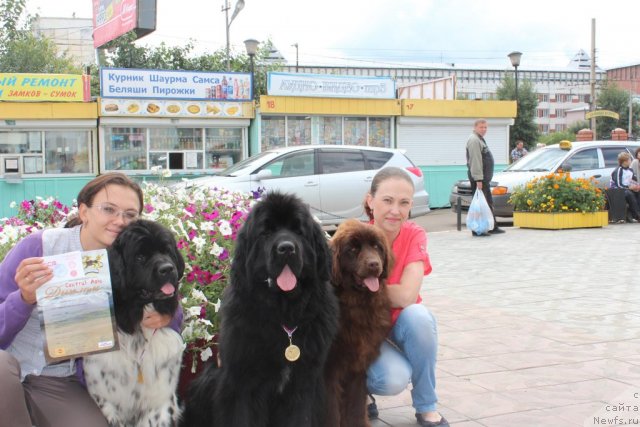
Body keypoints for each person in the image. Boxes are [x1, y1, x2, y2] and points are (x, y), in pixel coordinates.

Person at [0, 172, 181, 427]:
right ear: (84, 211)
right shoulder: (39, 247)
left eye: (130, 214)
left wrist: (168, 316)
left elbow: (166, 297)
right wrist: (23, 298)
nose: (119, 221)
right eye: (109, 209)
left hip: (59, 379)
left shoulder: (127, 260)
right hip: (9, 366)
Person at [364, 167, 448, 427]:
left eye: (403, 203)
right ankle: (359, 391)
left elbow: (407, 296)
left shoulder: (414, 234)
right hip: (365, 332)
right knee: (391, 379)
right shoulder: (356, 237)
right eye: (387, 200)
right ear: (371, 201)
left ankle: (426, 405)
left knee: (419, 315)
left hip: (401, 325)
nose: (395, 210)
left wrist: (361, 287)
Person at [466, 119, 505, 236]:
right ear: (475, 127)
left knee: (487, 203)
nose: (484, 129)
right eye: (481, 127)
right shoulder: (474, 140)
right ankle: (478, 229)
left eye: (485, 127)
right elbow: (476, 161)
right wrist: (478, 179)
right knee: (480, 205)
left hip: (484, 179)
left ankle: (491, 226)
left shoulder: (479, 139)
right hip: (480, 179)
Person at [609, 151, 640, 223]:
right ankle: (637, 215)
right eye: (629, 160)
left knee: (638, 192)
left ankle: (637, 212)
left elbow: (634, 181)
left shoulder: (630, 170)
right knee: (629, 194)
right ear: (624, 162)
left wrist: (636, 186)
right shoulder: (618, 170)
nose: (631, 161)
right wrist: (630, 188)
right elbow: (619, 184)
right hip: (617, 190)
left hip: (627, 188)